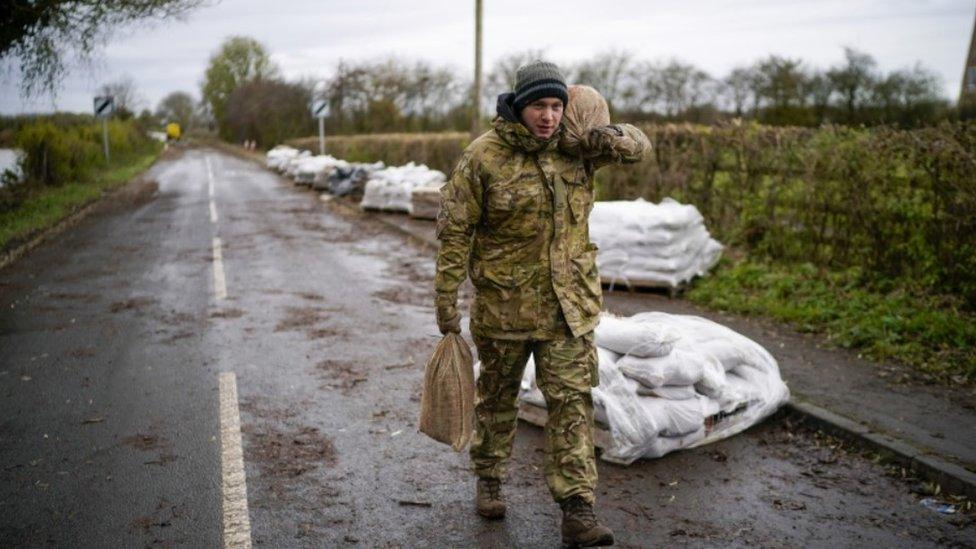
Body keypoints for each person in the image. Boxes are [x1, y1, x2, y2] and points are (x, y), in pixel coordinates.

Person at [434, 60, 649, 547]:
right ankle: (489, 479)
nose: (549, 116)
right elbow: (455, 233)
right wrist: (445, 300)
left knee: (572, 405)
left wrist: (605, 137)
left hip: (568, 310)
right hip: (503, 311)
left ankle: (578, 510)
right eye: (539, 106)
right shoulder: (483, 157)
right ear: (518, 106)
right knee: (496, 402)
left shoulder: (577, 151)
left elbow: (639, 146)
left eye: (556, 106)